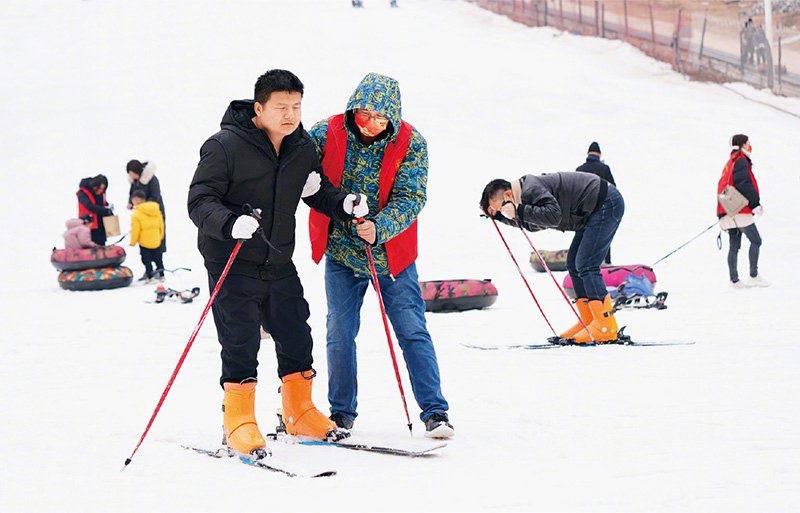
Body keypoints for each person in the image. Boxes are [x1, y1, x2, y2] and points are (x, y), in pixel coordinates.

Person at [188, 69, 367, 457]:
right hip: (232, 260)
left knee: (296, 333)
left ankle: (298, 413)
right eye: (281, 107)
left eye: (296, 107)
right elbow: (200, 201)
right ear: (258, 108)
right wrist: (229, 223)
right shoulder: (223, 146)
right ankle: (238, 421)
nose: (290, 115)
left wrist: (343, 204)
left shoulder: (301, 147)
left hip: (278, 258)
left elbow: (316, 191)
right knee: (241, 340)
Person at [308, 72, 454, 438]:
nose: (371, 123)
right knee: (339, 332)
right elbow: (302, 172)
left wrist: (380, 227)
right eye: (365, 114)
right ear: (353, 108)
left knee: (411, 329)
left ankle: (435, 411)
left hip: (391, 257)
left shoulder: (411, 142)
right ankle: (341, 413)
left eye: (380, 118)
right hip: (342, 251)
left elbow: (411, 197)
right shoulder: (326, 132)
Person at [480, 172, 625, 344]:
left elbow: (553, 216)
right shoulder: (524, 195)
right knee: (573, 264)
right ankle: (590, 320)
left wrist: (518, 210)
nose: (503, 212)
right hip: (592, 210)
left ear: (508, 195)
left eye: (500, 208)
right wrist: (499, 217)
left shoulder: (530, 188)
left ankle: (604, 325)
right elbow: (535, 223)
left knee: (586, 264)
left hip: (606, 203)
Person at [716, 134, 768, 288]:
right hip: (739, 210)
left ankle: (734, 280)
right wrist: (755, 204)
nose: (750, 145)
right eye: (748, 143)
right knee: (756, 240)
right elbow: (744, 183)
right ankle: (753, 276)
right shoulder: (741, 161)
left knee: (734, 246)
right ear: (743, 144)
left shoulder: (730, 161)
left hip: (726, 210)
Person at [576, 141, 616, 264]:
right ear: (599, 154)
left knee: (583, 237)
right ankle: (606, 262)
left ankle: (581, 263)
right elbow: (613, 189)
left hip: (584, 211)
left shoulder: (580, 169)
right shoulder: (604, 168)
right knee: (604, 236)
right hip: (601, 208)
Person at [126, 159, 166, 253]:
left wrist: (142, 205)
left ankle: (158, 255)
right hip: (141, 212)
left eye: (133, 174)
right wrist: (130, 203)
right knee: (144, 233)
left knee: (156, 232)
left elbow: (155, 196)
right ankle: (146, 254)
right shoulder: (134, 181)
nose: (132, 176)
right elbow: (132, 193)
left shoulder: (151, 179)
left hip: (154, 211)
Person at [129, 190, 165, 283]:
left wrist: (133, 242)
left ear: (136, 201)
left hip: (144, 241)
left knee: (146, 260)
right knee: (158, 259)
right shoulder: (155, 209)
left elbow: (135, 230)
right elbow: (161, 224)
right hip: (156, 239)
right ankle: (162, 275)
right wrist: (160, 236)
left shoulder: (136, 214)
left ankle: (150, 277)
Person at [77, 174, 112, 246]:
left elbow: (103, 204)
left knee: (101, 245)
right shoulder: (83, 192)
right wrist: (105, 210)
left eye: (103, 189)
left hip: (101, 225)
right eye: (99, 188)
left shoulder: (101, 193)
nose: (100, 191)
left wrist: (108, 209)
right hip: (89, 224)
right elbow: (89, 206)